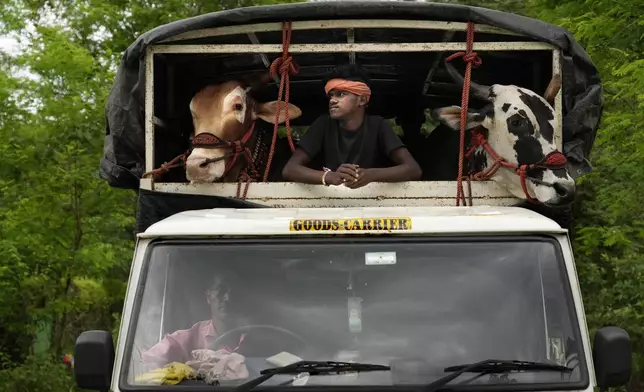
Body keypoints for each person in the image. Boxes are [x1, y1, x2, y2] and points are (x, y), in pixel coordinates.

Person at [282, 64, 422, 187]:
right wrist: (329, 177)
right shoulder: (323, 123)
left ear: (361, 100)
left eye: (340, 94)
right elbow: (290, 169)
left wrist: (369, 175)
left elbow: (413, 170)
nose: (332, 100)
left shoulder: (378, 125)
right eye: (331, 96)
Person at [141, 271, 246, 367]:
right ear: (208, 297)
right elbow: (146, 363)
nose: (228, 298)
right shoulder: (189, 339)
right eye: (221, 291)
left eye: (234, 292)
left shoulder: (256, 337)